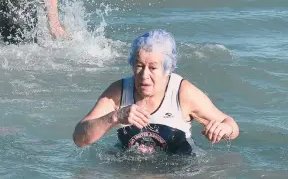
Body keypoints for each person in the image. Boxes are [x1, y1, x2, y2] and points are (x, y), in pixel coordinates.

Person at [73, 29, 239, 155]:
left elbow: (231, 125)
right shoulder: (118, 91)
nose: (144, 75)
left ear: (167, 70)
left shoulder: (183, 93)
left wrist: (223, 129)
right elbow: (79, 138)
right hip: (132, 170)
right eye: (139, 66)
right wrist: (115, 117)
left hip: (181, 170)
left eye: (153, 68)